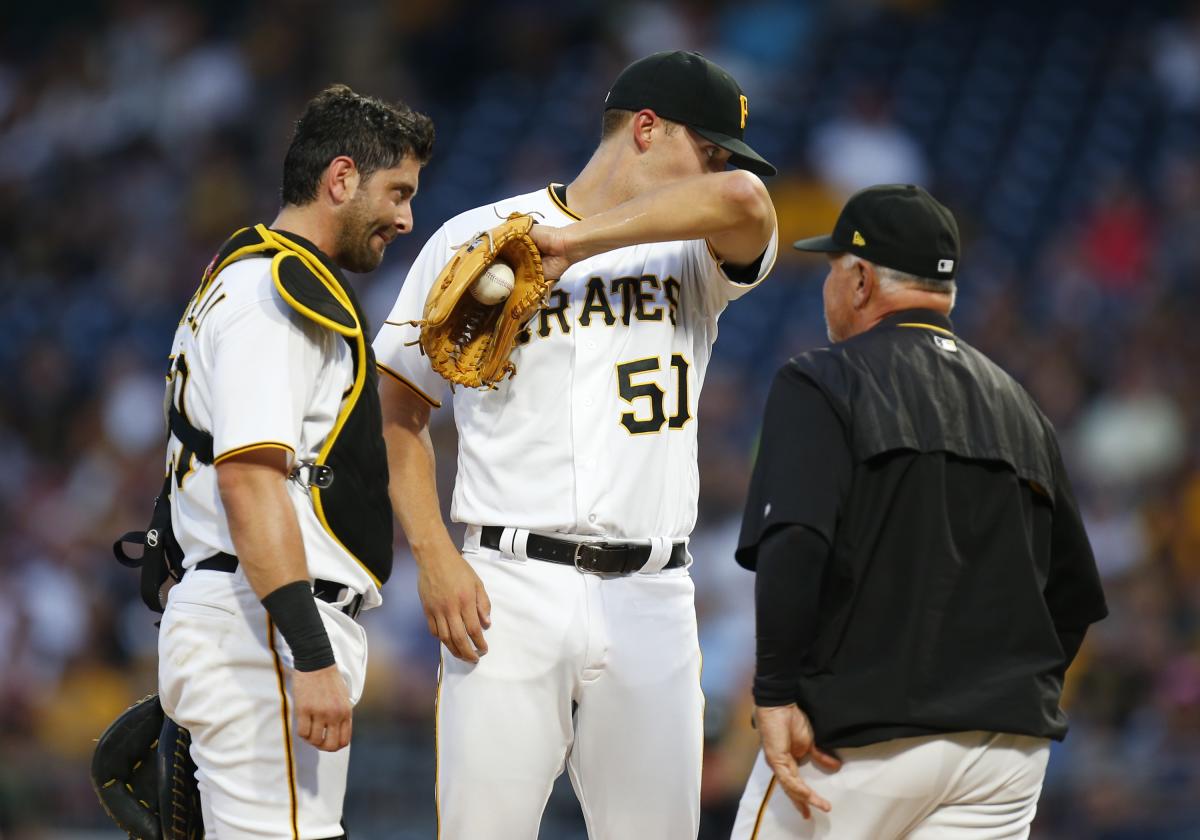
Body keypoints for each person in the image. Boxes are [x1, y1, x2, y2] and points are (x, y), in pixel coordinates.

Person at [373, 50, 778, 839]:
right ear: (649, 129)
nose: (718, 168)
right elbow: (399, 412)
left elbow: (747, 199)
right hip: (508, 588)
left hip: (654, 594)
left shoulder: (693, 252)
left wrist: (574, 245)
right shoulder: (476, 236)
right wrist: (434, 555)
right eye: (709, 146)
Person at [730, 184, 1108, 839]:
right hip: (1003, 755)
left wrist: (775, 693)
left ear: (860, 280)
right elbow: (1072, 596)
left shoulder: (823, 379)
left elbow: (796, 542)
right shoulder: (1023, 408)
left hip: (855, 738)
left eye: (831, 269)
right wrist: (1000, 690)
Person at [155, 84, 433, 837]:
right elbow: (249, 482)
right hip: (264, 625)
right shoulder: (276, 294)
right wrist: (310, 654)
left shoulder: (242, 278)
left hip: (252, 614)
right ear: (340, 179)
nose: (407, 217)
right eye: (396, 191)